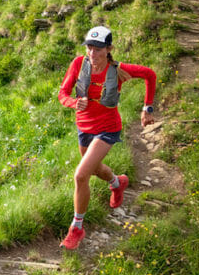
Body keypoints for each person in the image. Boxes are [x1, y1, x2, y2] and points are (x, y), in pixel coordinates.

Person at [57, 26, 156, 249]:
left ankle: (77, 228)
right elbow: (62, 94)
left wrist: (147, 107)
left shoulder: (118, 70)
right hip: (84, 127)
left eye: (98, 48)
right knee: (94, 169)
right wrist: (74, 103)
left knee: (81, 175)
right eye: (90, 47)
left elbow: (149, 74)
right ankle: (117, 182)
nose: (93, 53)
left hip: (107, 129)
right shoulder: (78, 64)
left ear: (109, 48)